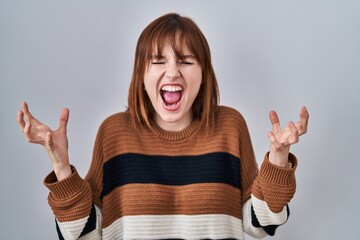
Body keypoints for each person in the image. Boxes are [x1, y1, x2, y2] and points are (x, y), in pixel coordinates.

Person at [17, 13, 309, 240]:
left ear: (204, 73)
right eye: (157, 61)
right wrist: (61, 164)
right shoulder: (114, 133)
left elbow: (259, 223)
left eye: (185, 61)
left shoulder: (230, 127)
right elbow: (84, 233)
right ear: (141, 75)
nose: (172, 72)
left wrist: (279, 158)